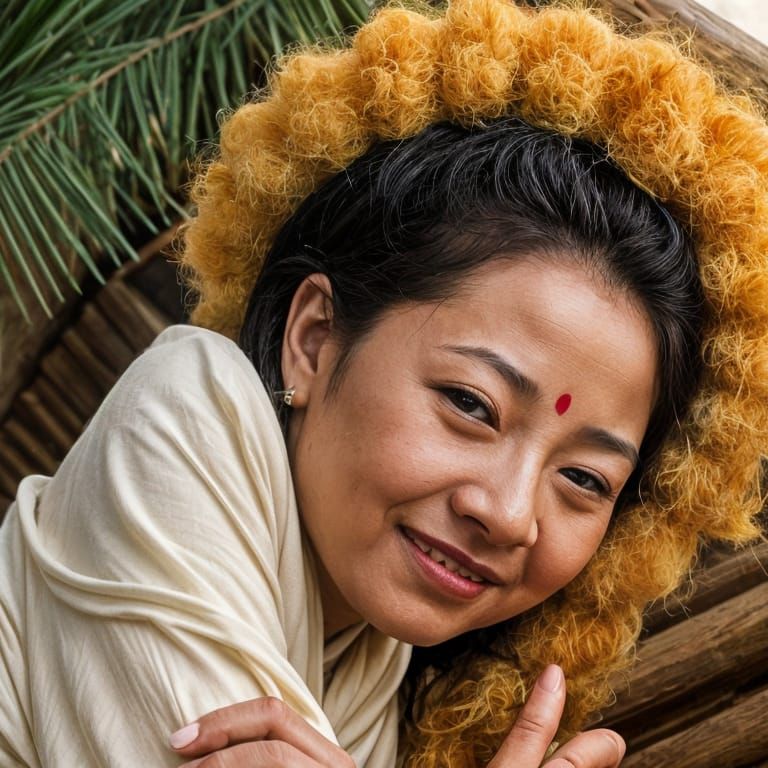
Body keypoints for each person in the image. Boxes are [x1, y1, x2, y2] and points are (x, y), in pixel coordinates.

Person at [1, 1, 766, 767]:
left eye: (584, 478)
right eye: (472, 404)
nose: (506, 515)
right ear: (313, 338)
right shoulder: (190, 408)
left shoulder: (372, 666)